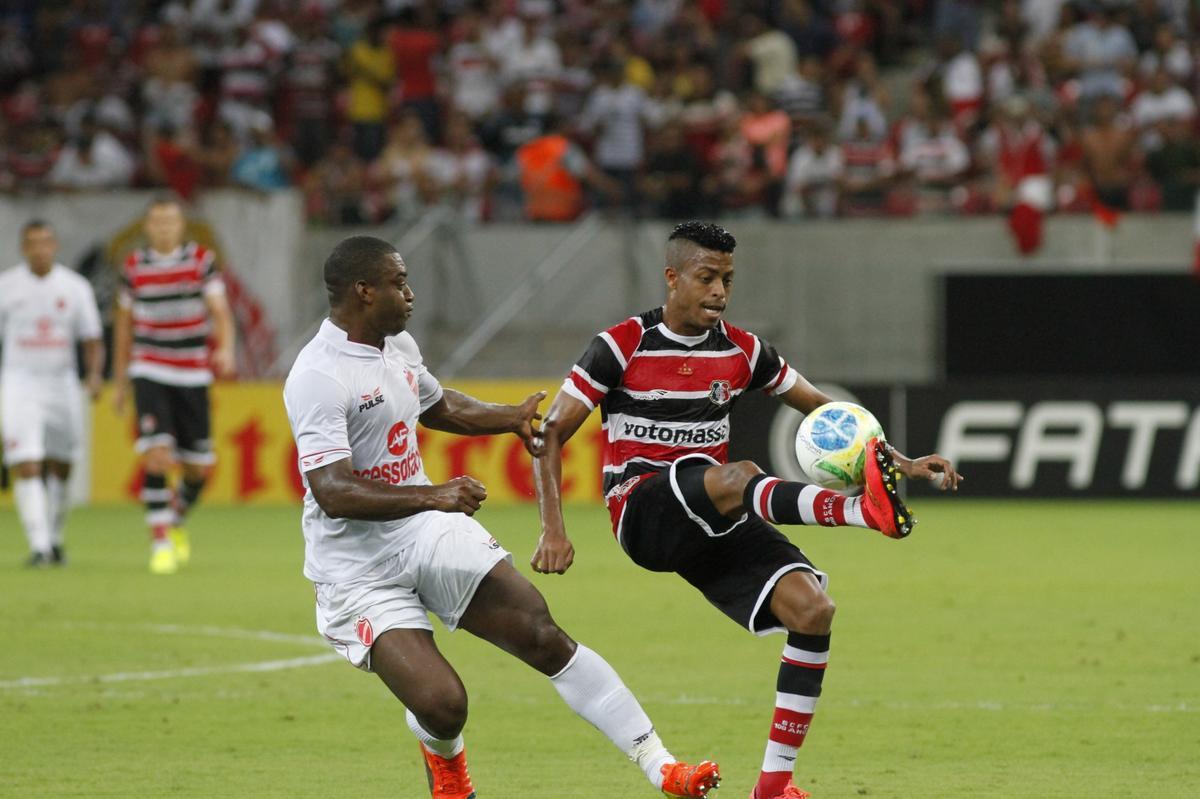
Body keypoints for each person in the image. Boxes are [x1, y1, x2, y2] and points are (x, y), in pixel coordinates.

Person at [531, 221, 963, 799]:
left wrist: (902, 464)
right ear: (672, 278)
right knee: (740, 475)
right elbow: (550, 433)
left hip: (713, 515)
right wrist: (553, 529)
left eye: (728, 279)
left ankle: (774, 786)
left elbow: (824, 412)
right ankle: (863, 513)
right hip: (643, 510)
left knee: (812, 609)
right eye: (706, 277)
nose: (719, 291)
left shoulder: (743, 350)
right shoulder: (621, 345)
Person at [282, 235, 720, 799]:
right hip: (357, 568)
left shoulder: (398, 346)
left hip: (424, 532)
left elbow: (439, 405)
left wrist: (508, 418)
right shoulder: (318, 375)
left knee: (541, 633)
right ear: (364, 291)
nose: (411, 294)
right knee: (444, 705)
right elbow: (332, 490)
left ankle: (663, 767)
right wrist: (433, 495)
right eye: (399, 283)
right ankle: (446, 763)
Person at [112, 197, 237, 575]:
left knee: (197, 470)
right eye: (157, 221)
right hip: (150, 367)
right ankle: (161, 543)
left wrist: (226, 348)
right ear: (147, 226)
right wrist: (120, 381)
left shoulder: (200, 261)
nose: (164, 227)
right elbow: (124, 325)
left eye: (170, 221)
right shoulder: (134, 266)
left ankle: (176, 519)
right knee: (157, 455)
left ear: (181, 225)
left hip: (192, 372)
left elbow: (219, 311)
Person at [0, 220, 104, 566]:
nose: (39, 248)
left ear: (54, 245)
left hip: (62, 383)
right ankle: (40, 545)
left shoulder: (74, 287)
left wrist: (93, 375)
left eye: (45, 241)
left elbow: (91, 338)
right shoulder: (7, 287)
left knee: (63, 464)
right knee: (26, 462)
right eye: (32, 242)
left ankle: (55, 537)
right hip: (19, 382)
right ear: (23, 248)